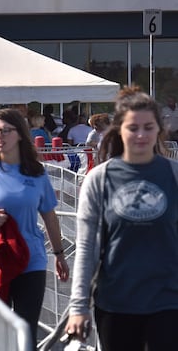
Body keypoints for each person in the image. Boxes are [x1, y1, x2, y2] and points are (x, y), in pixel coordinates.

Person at [65, 87, 178, 351]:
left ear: (159, 130)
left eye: (148, 127)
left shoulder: (173, 175)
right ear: (119, 130)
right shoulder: (99, 178)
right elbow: (86, 248)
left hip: (168, 302)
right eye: (133, 127)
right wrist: (78, 306)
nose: (140, 135)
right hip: (115, 303)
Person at [0, 109, 69, 349]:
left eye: (6, 131)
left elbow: (49, 216)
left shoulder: (36, 173)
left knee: (26, 332)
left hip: (31, 260)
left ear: (19, 135)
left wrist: (60, 254)